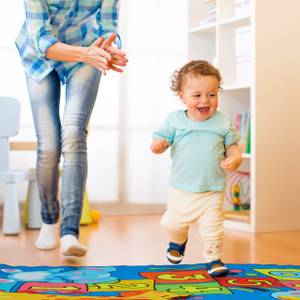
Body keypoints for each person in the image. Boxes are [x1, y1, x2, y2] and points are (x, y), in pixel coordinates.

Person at [16, 0, 127, 257]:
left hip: (86, 50)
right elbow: (40, 38)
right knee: (50, 144)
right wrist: (87, 53)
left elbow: (109, 25)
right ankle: (49, 219)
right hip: (40, 56)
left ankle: (69, 232)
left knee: (74, 133)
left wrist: (110, 49)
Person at [150, 60, 242, 276]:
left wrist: (235, 160)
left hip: (212, 187)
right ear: (182, 96)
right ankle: (178, 240)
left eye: (212, 94)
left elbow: (233, 148)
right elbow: (159, 142)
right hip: (182, 188)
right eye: (197, 95)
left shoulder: (222, 122)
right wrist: (159, 146)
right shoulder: (175, 121)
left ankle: (213, 258)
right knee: (171, 223)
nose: (205, 100)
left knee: (212, 227)